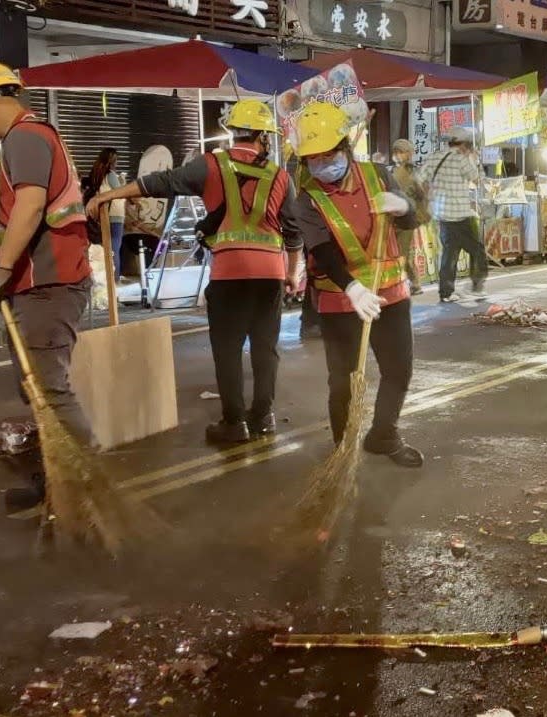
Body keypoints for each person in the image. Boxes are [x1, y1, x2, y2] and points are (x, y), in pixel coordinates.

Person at [88, 99, 303, 445]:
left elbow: (163, 182)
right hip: (269, 275)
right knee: (266, 349)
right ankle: (263, 417)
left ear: (234, 132)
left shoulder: (212, 165)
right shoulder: (280, 177)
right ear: (263, 137)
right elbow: (293, 233)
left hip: (229, 274)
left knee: (228, 349)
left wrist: (111, 194)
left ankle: (235, 423)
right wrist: (293, 273)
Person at [0, 61, 93, 510]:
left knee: (49, 388)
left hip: (49, 287)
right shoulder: (33, 136)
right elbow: (35, 222)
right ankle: (60, 481)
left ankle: (85, 483)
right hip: (45, 282)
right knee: (38, 387)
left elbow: (31, 208)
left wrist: (2, 271)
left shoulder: (25, 136)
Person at [293, 102, 422, 468]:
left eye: (328, 154)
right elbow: (322, 251)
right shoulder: (307, 200)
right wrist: (353, 289)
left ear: (346, 148)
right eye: (312, 159)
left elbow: (410, 221)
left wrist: (402, 207)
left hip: (391, 293)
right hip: (340, 301)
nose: (321, 164)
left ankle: (383, 435)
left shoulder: (378, 174)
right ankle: (342, 446)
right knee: (345, 382)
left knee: (399, 370)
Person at [419, 126, 487, 303]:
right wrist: (476, 161)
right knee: (478, 250)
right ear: (464, 145)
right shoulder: (461, 159)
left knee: (449, 254)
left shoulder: (434, 157)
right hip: (461, 215)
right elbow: (476, 178)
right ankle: (476, 286)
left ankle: (446, 292)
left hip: (442, 215)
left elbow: (420, 179)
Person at [390, 138, 427, 295]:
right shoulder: (391, 171)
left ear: (409, 154)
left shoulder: (414, 172)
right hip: (393, 217)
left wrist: (420, 214)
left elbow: (422, 195)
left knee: (402, 253)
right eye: (396, 152)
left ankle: (406, 284)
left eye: (402, 152)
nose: (398, 155)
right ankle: (413, 282)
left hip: (407, 218)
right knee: (396, 252)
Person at [86, 148, 128, 277]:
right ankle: (114, 281)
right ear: (112, 161)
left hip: (104, 216)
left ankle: (107, 279)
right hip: (115, 215)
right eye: (116, 160)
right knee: (114, 249)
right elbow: (120, 191)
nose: (117, 163)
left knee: (107, 248)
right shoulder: (110, 175)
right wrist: (123, 181)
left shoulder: (98, 175)